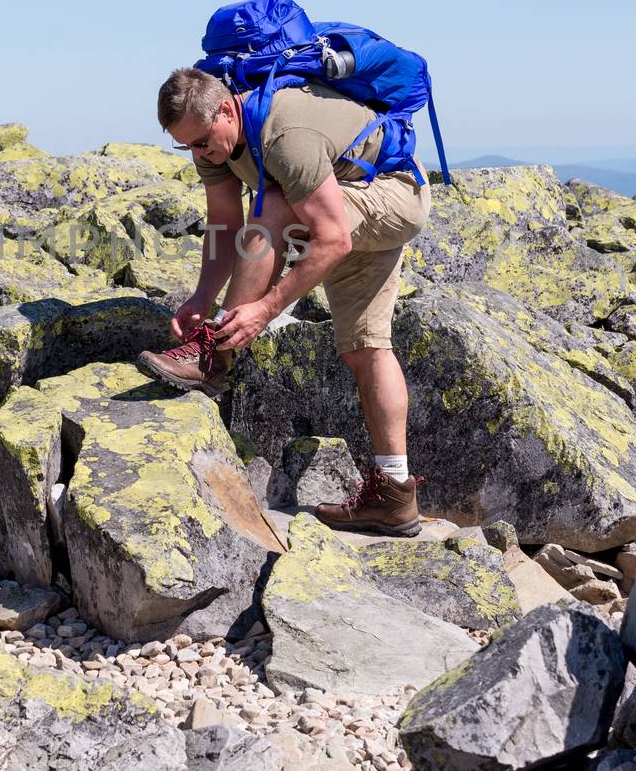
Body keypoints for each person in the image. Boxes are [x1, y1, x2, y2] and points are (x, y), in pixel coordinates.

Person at [137, 67, 432, 536]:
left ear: (227, 108)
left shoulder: (285, 135)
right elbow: (225, 224)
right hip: (338, 194)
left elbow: (332, 240)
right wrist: (201, 297)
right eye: (186, 146)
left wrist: (265, 310)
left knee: (273, 204)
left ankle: (214, 355)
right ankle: (394, 497)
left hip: (392, 194)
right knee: (365, 347)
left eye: (201, 141)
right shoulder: (211, 136)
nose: (199, 152)